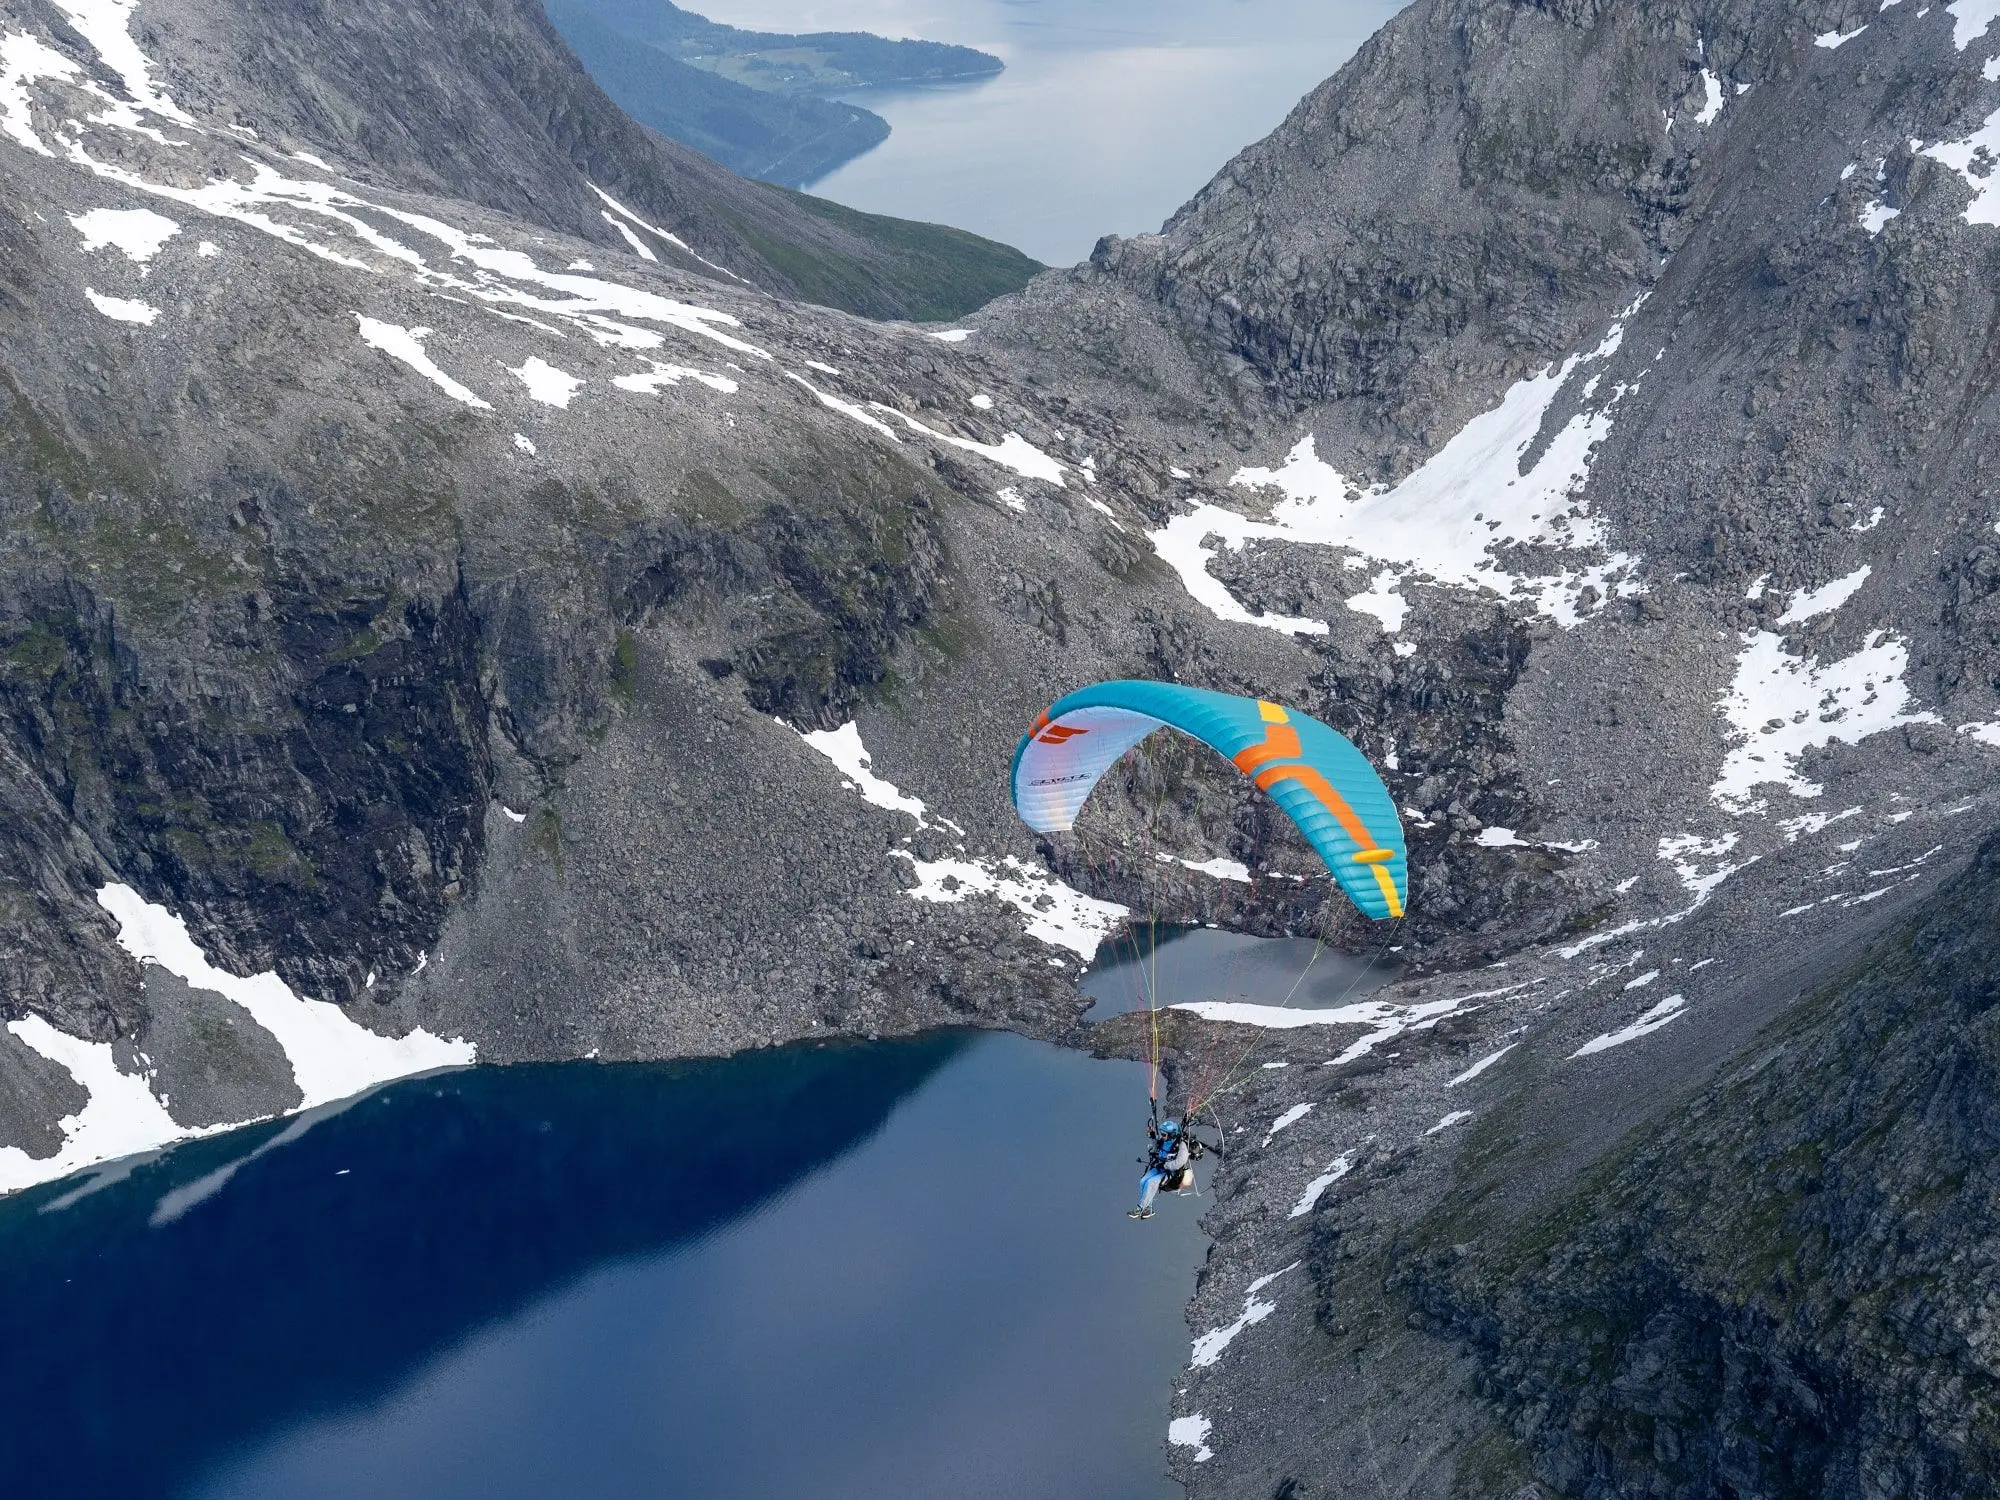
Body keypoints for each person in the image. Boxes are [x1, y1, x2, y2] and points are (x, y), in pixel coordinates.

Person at [1129, 1118, 1195, 1219]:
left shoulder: (1181, 1146)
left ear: (1171, 1134)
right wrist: (1152, 1136)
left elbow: (1180, 1161)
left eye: (1164, 1134)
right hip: (1159, 1167)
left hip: (1170, 1173)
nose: (1162, 1136)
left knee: (1151, 1182)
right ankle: (1149, 1209)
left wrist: (1165, 1165)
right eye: (1161, 1134)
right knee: (1143, 1181)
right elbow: (1157, 1147)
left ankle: (1140, 1207)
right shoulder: (1164, 1141)